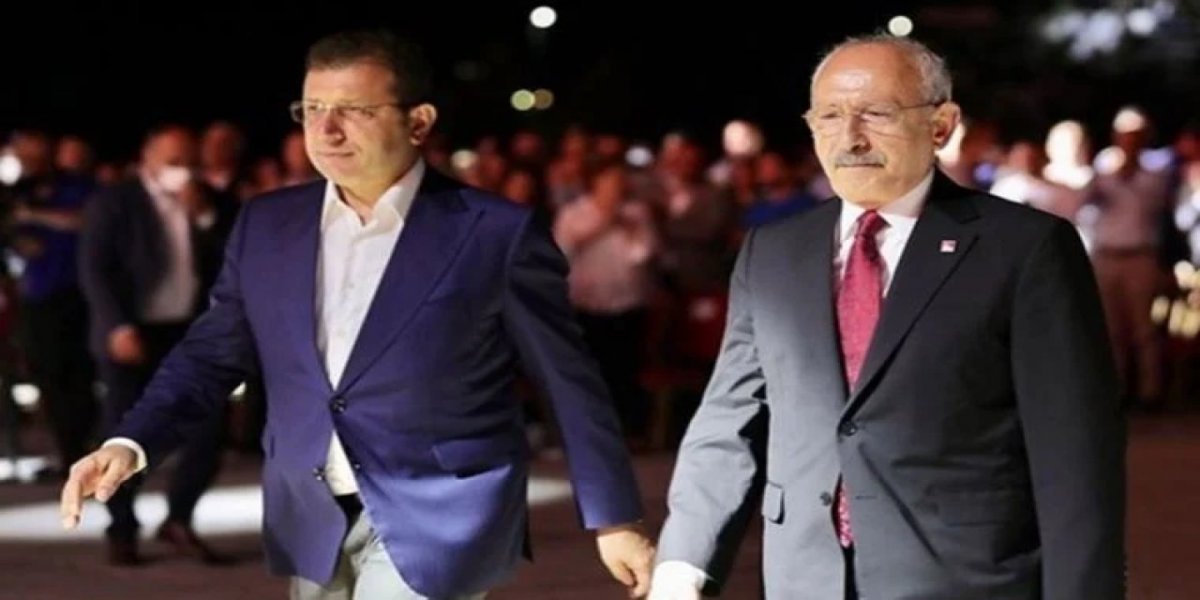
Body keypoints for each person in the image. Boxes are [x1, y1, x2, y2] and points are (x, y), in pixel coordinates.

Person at [60, 28, 654, 599]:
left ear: (418, 122)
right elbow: (213, 353)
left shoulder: (494, 232)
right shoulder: (268, 225)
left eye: (356, 110)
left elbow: (567, 379)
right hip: (309, 510)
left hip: (440, 511)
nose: (327, 129)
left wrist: (614, 517)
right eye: (312, 108)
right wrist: (131, 442)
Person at [649, 34, 1125, 599]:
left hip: (965, 581)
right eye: (829, 116)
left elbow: (1075, 454)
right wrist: (681, 570)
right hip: (806, 581)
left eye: (876, 113)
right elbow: (730, 418)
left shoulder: (1024, 249)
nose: (850, 137)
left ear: (941, 126)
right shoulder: (772, 254)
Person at [77, 124, 236, 566]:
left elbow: (233, 257)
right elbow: (95, 270)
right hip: (132, 332)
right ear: (147, 156)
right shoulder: (116, 201)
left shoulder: (211, 200)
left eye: (189, 162)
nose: (182, 170)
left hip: (189, 331)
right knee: (124, 431)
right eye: (172, 161)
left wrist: (203, 216)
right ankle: (121, 526)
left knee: (209, 429)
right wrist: (116, 326)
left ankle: (179, 518)